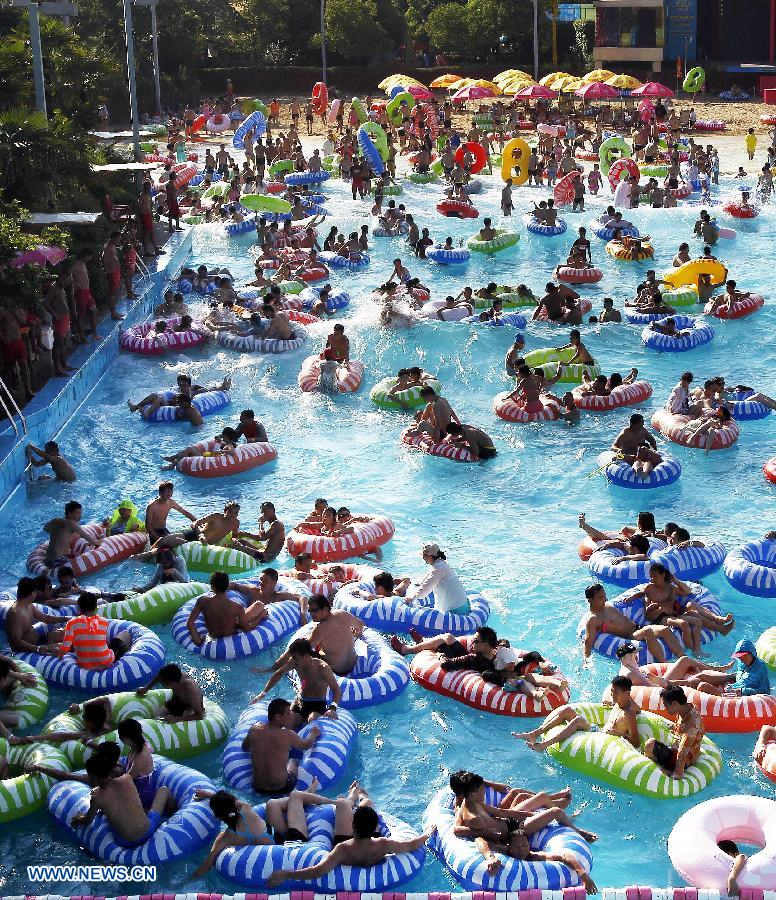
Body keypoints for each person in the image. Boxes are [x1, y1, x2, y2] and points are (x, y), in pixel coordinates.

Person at [449, 771, 596, 889]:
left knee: (531, 797)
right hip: (514, 832)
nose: (485, 792)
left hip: (510, 823)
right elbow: (474, 837)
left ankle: (561, 810)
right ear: (473, 793)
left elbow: (503, 813)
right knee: (555, 811)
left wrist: (528, 814)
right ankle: (578, 830)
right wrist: (489, 849)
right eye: (482, 790)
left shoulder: (475, 803)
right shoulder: (474, 817)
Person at [267, 783, 434, 886]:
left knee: (342, 804)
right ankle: (360, 797)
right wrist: (427, 834)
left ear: (354, 826)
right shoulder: (383, 844)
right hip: (369, 843)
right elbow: (411, 845)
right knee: (367, 803)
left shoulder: (342, 849)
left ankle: (352, 797)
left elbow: (317, 871)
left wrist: (287, 874)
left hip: (350, 843)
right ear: (375, 828)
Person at [31, 748, 171, 848]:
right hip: (148, 830)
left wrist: (79, 818)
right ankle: (172, 814)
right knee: (163, 791)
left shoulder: (97, 796)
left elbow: (87, 820)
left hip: (126, 842)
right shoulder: (127, 778)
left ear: (94, 776)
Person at [513, 675, 640, 751]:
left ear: (627, 693)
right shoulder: (620, 702)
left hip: (605, 739)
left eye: (615, 692)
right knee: (567, 710)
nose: (612, 695)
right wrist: (613, 702)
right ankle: (534, 734)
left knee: (578, 720)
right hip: (599, 731)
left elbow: (636, 742)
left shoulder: (629, 714)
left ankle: (544, 745)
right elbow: (636, 707)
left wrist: (618, 733)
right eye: (611, 691)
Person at [581, 582, 685, 663]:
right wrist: (586, 660)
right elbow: (588, 641)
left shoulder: (607, 605)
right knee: (648, 631)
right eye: (600, 597)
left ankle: (683, 658)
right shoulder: (593, 619)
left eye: (604, 596)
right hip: (631, 636)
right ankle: (664, 663)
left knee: (665, 629)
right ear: (590, 600)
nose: (605, 599)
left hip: (638, 627)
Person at [259, 595, 363, 675]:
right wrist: (355, 634)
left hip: (337, 670)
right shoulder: (343, 613)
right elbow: (360, 625)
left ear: (326, 609)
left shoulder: (320, 629)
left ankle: (273, 669)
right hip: (353, 663)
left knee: (297, 647)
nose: (311, 613)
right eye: (309, 610)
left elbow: (301, 650)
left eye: (314, 610)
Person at [239, 697, 321, 793]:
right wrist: (313, 734)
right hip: (281, 787)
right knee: (293, 761)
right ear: (278, 717)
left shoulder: (254, 730)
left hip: (258, 787)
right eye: (288, 713)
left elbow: (245, 747)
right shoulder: (287, 734)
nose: (291, 715)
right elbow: (306, 745)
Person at [252, 638, 341, 722]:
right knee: (285, 722)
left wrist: (332, 708)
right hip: (300, 701)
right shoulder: (295, 662)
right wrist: (263, 693)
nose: (293, 659)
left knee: (312, 718)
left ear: (306, 656)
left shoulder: (322, 668)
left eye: (295, 657)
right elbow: (279, 674)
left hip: (317, 704)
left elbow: (336, 689)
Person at [185, 572, 270, 645]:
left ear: (212, 587)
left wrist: (198, 642)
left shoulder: (202, 601)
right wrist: (261, 616)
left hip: (212, 636)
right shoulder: (237, 608)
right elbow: (247, 629)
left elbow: (190, 623)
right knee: (259, 605)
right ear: (227, 587)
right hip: (231, 638)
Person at [643, 685, 705, 778]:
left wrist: (676, 774)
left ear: (675, 704)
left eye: (666, 705)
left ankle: (663, 768)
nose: (665, 708)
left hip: (685, 760)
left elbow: (682, 753)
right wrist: (675, 727)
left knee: (650, 745)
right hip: (679, 750)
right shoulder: (686, 708)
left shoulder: (691, 725)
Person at [59, 592, 130, 669]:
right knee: (125, 634)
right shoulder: (103, 622)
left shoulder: (71, 623)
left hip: (84, 664)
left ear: (79, 608)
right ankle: (121, 659)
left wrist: (59, 657)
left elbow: (65, 648)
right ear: (96, 607)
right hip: (105, 661)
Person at [42, 500, 101, 571]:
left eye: (80, 513)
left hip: (47, 559)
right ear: (69, 513)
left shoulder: (56, 521)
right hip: (58, 560)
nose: (80, 515)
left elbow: (45, 528)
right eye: (78, 513)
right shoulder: (71, 524)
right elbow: (88, 538)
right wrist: (100, 542)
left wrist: (58, 534)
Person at [136, 662, 205, 721]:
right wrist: (146, 689)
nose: (162, 684)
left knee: (169, 721)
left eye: (164, 683)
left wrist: (177, 719)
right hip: (177, 700)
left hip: (189, 707)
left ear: (172, 683)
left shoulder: (190, 689)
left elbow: (200, 715)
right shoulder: (174, 676)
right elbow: (159, 677)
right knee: (156, 717)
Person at [611, 413, 662, 478]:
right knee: (637, 460)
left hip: (642, 454)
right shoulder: (625, 433)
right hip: (629, 456)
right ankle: (638, 470)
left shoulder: (643, 431)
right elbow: (613, 447)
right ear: (634, 424)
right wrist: (618, 450)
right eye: (642, 423)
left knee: (648, 460)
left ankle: (644, 472)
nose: (643, 424)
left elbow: (652, 441)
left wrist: (653, 451)